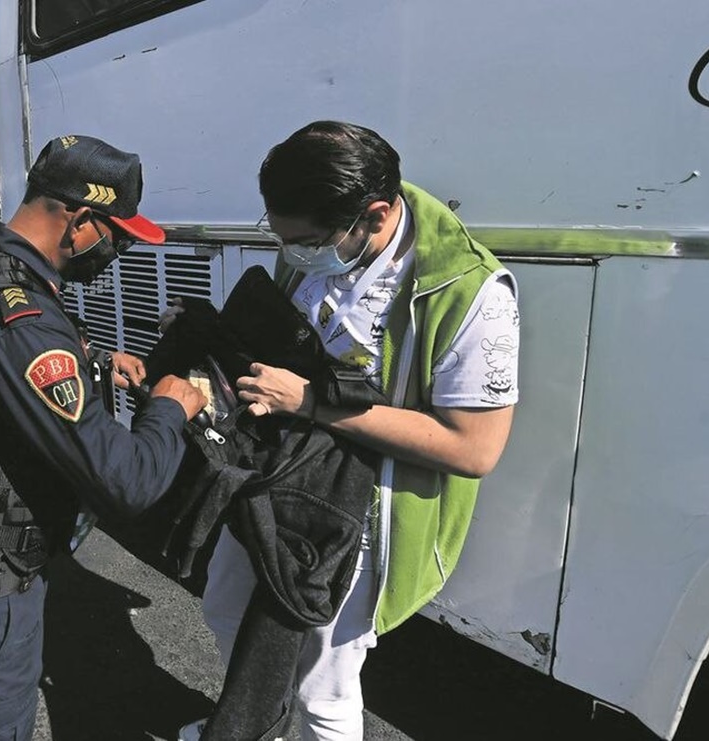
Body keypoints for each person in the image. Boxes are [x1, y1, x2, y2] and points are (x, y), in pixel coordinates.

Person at [178, 121, 520, 741]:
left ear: (375, 214)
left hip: (357, 514)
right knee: (225, 609)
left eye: (306, 241)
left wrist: (312, 403)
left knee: (324, 686)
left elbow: (474, 448)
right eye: (280, 238)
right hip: (274, 481)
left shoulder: (470, 291)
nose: (293, 255)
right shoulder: (320, 244)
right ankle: (258, 722)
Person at [0, 135, 208, 739]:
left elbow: (4, 376)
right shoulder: (22, 319)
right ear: (81, 220)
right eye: (116, 237)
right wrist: (169, 408)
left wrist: (93, 360)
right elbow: (128, 481)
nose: (116, 253)